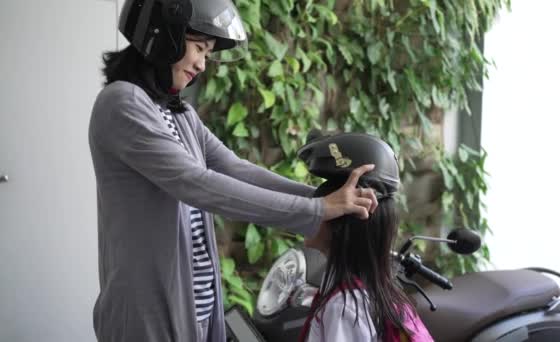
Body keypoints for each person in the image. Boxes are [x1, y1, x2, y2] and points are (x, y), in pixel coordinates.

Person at [88, 1, 378, 341]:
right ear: (162, 36)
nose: (201, 64)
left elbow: (233, 167)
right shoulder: (122, 103)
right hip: (145, 313)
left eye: (207, 53)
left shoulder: (178, 114)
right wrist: (316, 210)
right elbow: (195, 183)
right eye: (199, 48)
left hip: (193, 309)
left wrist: (319, 196)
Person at [296, 133, 434, 342]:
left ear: (342, 225)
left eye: (322, 207)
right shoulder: (370, 290)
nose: (311, 213)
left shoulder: (343, 307)